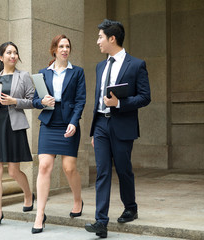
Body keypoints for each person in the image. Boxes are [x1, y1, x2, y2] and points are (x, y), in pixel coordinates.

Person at [84, 19, 151, 238]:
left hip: (122, 124)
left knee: (123, 169)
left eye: (100, 37)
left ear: (112, 38)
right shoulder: (100, 66)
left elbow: (145, 97)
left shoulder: (136, 64)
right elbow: (96, 99)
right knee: (102, 171)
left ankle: (130, 207)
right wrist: (94, 129)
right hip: (101, 124)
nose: (97, 42)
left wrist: (119, 104)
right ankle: (100, 222)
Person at [31, 34, 86, 234]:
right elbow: (35, 100)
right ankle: (40, 214)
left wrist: (74, 122)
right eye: (61, 46)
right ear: (54, 49)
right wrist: (42, 102)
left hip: (68, 123)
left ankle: (78, 200)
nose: (65, 49)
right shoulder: (42, 73)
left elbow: (80, 100)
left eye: (67, 46)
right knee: (44, 166)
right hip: (49, 123)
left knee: (69, 168)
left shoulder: (77, 72)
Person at [0, 42, 35, 228]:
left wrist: (15, 101)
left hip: (14, 126)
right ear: (1, 57)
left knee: (13, 171)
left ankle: (28, 194)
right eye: (9, 52)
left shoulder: (24, 76)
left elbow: (32, 101)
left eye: (15, 52)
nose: (13, 55)